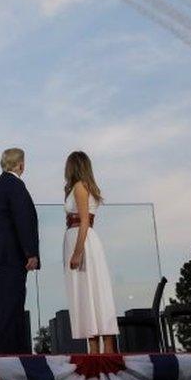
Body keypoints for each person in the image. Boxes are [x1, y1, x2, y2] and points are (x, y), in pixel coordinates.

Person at [63, 150, 119, 353]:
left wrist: (77, 252)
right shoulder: (77, 187)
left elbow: (85, 221)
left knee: (92, 290)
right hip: (78, 238)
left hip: (83, 241)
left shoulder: (80, 187)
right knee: (86, 293)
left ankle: (105, 347)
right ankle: (93, 346)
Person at [0, 147, 40, 354]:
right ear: (20, 164)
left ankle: (6, 353)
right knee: (13, 308)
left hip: (0, 255)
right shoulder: (15, 186)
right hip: (14, 256)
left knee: (5, 308)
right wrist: (31, 252)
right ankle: (12, 356)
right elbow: (23, 220)